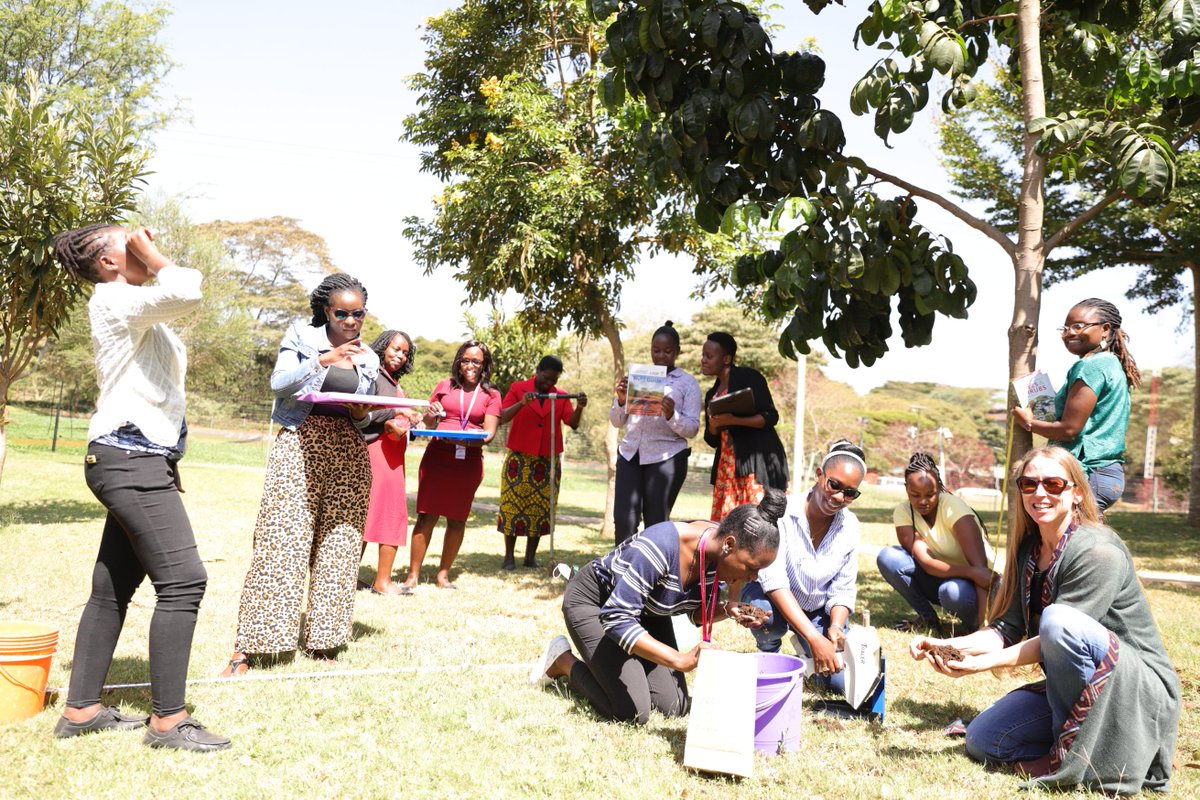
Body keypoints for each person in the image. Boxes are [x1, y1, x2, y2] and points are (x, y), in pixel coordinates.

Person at [51, 224, 229, 751]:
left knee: (111, 588)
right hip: (128, 457)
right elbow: (186, 290)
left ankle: (81, 710)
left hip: (133, 455)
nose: (141, 246)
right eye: (127, 244)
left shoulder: (126, 305)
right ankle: (169, 722)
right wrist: (151, 253)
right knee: (184, 581)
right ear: (108, 264)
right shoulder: (112, 300)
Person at [910, 447, 1180, 794]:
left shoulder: (1099, 550)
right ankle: (1081, 745)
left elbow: (1055, 635)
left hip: (1135, 684)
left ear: (1077, 492)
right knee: (984, 739)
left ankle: (1094, 750)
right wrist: (949, 646)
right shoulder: (1029, 550)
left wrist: (981, 665)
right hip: (1072, 680)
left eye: (1053, 484)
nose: (1040, 493)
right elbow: (1005, 629)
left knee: (1057, 620)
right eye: (1029, 484)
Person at [221, 274, 379, 676]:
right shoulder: (302, 336)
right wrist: (322, 360)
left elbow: (365, 417)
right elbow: (279, 385)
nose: (350, 321)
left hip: (348, 448)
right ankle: (253, 646)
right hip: (300, 442)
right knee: (281, 541)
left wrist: (363, 413)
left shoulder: (370, 357)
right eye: (341, 313)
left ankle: (324, 640)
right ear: (326, 310)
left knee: (339, 545)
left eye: (357, 313)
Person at [530, 489, 786, 725]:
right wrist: (679, 659)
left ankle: (624, 662)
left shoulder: (718, 552)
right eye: (752, 568)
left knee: (675, 706)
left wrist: (728, 610)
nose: (754, 577)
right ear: (729, 545)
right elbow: (616, 617)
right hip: (599, 604)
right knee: (631, 712)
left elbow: (696, 614)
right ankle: (562, 660)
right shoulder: (661, 546)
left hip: (648, 611)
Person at [740, 441, 865, 695]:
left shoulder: (850, 527)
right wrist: (814, 638)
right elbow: (773, 581)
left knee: (837, 684)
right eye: (835, 485)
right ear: (819, 476)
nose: (840, 496)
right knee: (766, 617)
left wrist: (835, 628)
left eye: (850, 493)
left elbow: (842, 589)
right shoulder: (783, 513)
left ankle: (805, 648)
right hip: (772, 599)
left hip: (817, 609)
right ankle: (769, 651)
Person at [1012, 298, 1142, 512]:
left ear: (1105, 329)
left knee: (1071, 542)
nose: (1069, 333)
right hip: (1105, 473)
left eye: (1078, 326)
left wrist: (1029, 423)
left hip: (1088, 473)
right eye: (1065, 328)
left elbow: (1069, 429)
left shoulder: (1091, 366)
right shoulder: (1111, 364)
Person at [403, 339, 501, 589]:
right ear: (459, 361)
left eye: (476, 361)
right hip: (437, 456)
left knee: (457, 518)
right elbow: (427, 420)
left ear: (484, 365)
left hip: (467, 461)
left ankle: (442, 575)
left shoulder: (491, 394)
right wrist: (431, 413)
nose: (470, 365)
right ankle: (412, 576)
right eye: (466, 360)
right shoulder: (444, 385)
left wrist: (464, 442)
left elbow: (488, 434)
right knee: (426, 516)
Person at [876, 453, 999, 634]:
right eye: (915, 495)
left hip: (979, 589)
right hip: (946, 576)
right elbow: (926, 562)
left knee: (951, 591)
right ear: (906, 488)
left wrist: (984, 628)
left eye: (930, 494)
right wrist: (971, 573)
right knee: (889, 556)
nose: (923, 502)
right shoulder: (904, 512)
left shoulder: (953, 507)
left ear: (940, 486)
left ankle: (974, 626)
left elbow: (983, 574)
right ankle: (928, 618)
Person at [609, 321, 701, 545]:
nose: (661, 356)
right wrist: (621, 401)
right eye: (656, 350)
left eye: (667, 351)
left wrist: (672, 415)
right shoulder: (638, 377)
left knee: (656, 523)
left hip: (666, 458)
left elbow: (692, 429)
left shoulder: (688, 383)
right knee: (623, 520)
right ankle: (621, 571)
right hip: (631, 454)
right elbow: (616, 421)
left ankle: (652, 574)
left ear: (677, 351)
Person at [496, 355, 587, 570]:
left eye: (553, 381)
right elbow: (502, 416)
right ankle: (509, 557)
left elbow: (571, 423)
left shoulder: (561, 395)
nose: (548, 384)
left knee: (540, 508)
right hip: (520, 458)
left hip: (547, 460)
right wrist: (522, 402)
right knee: (512, 506)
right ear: (537, 370)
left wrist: (580, 407)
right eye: (545, 378)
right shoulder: (519, 388)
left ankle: (530, 557)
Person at [700, 331, 789, 521]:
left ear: (726, 359)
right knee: (726, 525)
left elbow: (770, 417)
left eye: (709, 356)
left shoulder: (749, 377)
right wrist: (715, 425)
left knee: (755, 522)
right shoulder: (711, 394)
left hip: (754, 463)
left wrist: (731, 420)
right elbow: (711, 439)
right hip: (727, 466)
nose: (703, 360)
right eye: (703, 355)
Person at [360, 330, 422, 596]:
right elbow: (363, 411)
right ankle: (382, 582)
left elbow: (399, 420)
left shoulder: (393, 382)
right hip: (378, 453)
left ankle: (349, 576)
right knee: (387, 515)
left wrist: (416, 420)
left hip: (394, 455)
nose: (400, 355)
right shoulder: (372, 376)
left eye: (405, 352)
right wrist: (397, 411)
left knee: (372, 515)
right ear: (383, 347)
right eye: (396, 349)